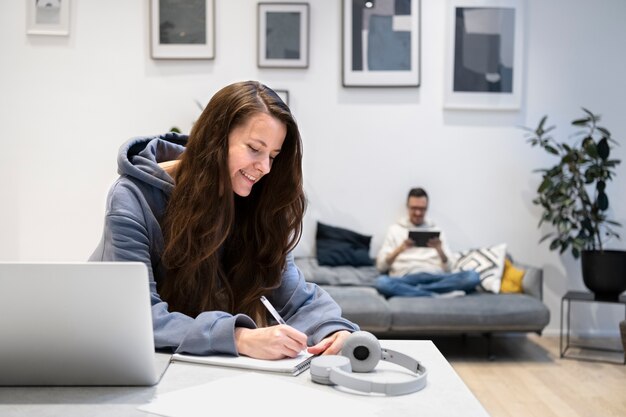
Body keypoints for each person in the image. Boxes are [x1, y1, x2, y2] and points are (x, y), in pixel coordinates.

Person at [89, 80, 359, 360]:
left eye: (273, 156)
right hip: (114, 357)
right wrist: (238, 337)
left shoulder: (256, 203)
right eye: (255, 149)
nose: (265, 168)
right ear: (215, 138)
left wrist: (331, 329)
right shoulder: (132, 197)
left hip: (194, 364)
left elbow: (293, 294)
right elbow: (139, 314)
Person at [374, 187, 480, 297]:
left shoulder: (436, 231)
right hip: (406, 277)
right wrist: (400, 249)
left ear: (427, 208)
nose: (418, 213)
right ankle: (435, 295)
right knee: (381, 282)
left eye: (422, 209)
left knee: (473, 276)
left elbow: (450, 269)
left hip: (435, 277)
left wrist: (439, 250)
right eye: (414, 208)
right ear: (407, 207)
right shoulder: (395, 230)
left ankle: (415, 291)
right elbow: (381, 267)